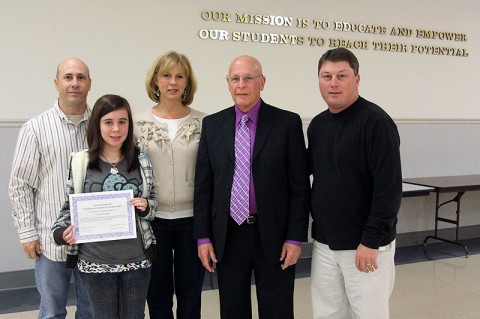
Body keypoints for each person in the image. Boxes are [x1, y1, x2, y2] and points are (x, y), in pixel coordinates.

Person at [193, 55, 310, 319]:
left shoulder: (287, 124)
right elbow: (204, 187)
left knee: (277, 309)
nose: (241, 85)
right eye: (235, 79)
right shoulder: (213, 125)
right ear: (228, 83)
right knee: (233, 310)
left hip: (275, 235)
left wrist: (294, 237)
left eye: (248, 78)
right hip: (228, 235)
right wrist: (203, 237)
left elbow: (300, 188)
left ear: (262, 82)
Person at [308, 47, 402, 319]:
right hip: (325, 245)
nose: (333, 83)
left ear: (357, 80)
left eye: (341, 75)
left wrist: (371, 241)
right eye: (326, 76)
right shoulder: (318, 126)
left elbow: (389, 190)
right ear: (319, 80)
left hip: (365, 247)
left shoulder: (376, 123)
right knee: (327, 314)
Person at [50, 94, 157, 319]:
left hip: (137, 261)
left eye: (122, 122)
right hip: (95, 263)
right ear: (97, 125)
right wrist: (61, 234)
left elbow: (153, 205)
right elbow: (68, 208)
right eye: (108, 122)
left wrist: (146, 206)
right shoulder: (81, 162)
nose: (116, 129)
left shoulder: (141, 160)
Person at [8, 57, 93, 319]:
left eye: (80, 77)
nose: (74, 83)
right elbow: (20, 185)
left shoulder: (103, 127)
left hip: (94, 241)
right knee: (51, 312)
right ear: (57, 84)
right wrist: (27, 233)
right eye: (68, 77)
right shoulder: (35, 128)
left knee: (92, 312)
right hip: (50, 241)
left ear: (90, 84)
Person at [134, 51, 206, 319]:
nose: (173, 82)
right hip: (153, 221)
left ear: (188, 82)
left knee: (191, 293)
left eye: (179, 76)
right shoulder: (138, 124)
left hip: (193, 222)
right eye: (166, 75)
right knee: (157, 293)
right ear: (155, 80)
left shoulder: (204, 122)